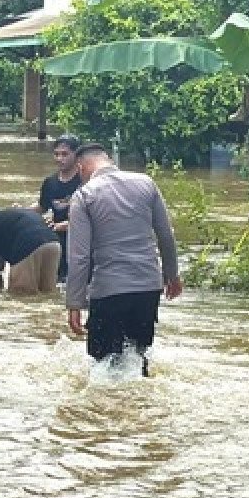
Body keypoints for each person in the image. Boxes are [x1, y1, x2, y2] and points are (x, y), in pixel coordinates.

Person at [65, 142, 183, 376]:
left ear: (80, 168)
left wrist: (74, 303)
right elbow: (165, 234)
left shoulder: (84, 195)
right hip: (148, 287)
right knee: (138, 359)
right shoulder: (146, 183)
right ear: (108, 160)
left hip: (109, 289)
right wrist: (172, 275)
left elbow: (80, 257)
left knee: (103, 365)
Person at [0, 206, 62, 295]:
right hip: (53, 243)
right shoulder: (7, 218)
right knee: (48, 293)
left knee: (20, 296)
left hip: (28, 245)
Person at [36, 134, 83, 282]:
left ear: (77, 156)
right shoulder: (50, 182)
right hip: (57, 241)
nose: (59, 158)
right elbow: (42, 207)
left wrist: (68, 225)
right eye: (56, 154)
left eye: (64, 154)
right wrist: (21, 211)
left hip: (80, 241)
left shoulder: (85, 182)